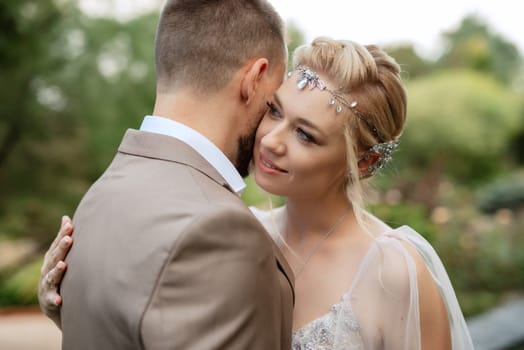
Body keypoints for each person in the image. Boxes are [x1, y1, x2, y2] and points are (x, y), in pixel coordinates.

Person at [40, 37, 475, 349]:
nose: (271, 140)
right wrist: (69, 307)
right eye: (275, 112)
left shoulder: (393, 270)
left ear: (361, 164)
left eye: (305, 135)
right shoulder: (237, 234)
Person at [38, 0, 295, 349]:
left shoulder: (101, 194)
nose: (271, 128)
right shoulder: (220, 228)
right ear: (254, 78)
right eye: (272, 103)